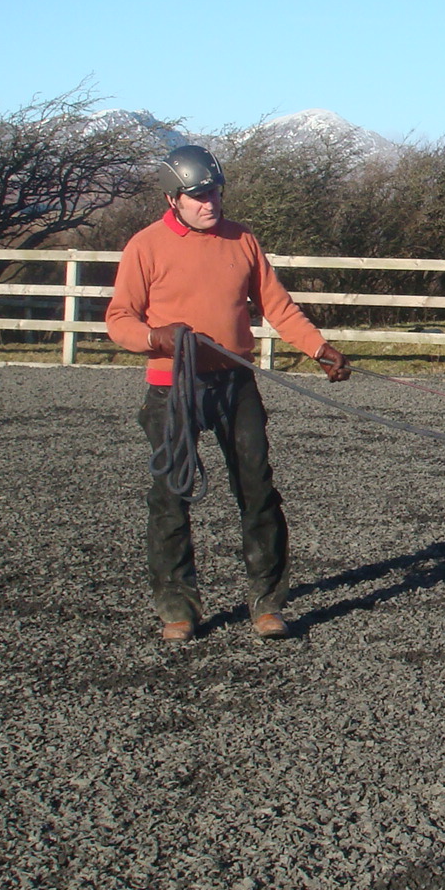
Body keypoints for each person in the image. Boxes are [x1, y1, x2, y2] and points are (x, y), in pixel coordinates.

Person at [105, 145, 350, 643]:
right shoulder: (145, 246)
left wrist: (318, 349)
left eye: (214, 192)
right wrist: (157, 338)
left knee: (257, 489)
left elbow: (277, 306)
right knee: (170, 495)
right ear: (173, 198)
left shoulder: (242, 241)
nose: (209, 203)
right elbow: (118, 320)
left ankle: (267, 601)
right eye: (197, 196)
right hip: (171, 387)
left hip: (236, 384)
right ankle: (177, 605)